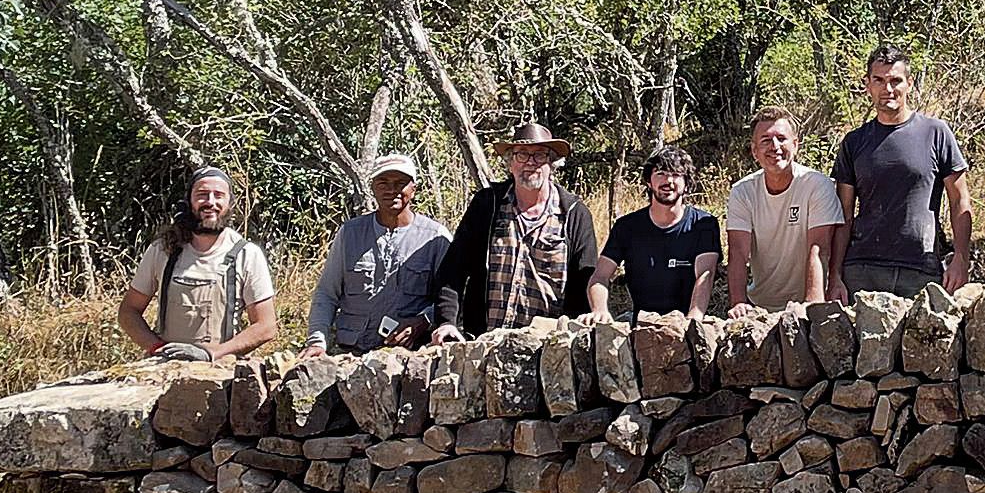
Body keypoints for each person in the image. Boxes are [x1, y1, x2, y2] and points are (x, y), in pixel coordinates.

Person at [828, 44, 973, 300]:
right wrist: (835, 274)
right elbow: (843, 216)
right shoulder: (854, 143)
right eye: (879, 81)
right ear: (867, 84)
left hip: (919, 268)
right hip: (862, 270)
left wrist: (961, 257)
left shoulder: (936, 133)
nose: (888, 89)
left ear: (909, 83)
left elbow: (959, 200)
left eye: (896, 80)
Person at [432, 123, 599, 342]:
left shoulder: (574, 214)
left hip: (548, 348)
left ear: (552, 164)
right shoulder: (487, 205)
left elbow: (586, 280)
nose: (530, 162)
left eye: (539, 155)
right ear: (511, 163)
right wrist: (447, 322)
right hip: (485, 343)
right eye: (522, 155)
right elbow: (453, 269)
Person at [119, 166, 277, 361]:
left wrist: (211, 354)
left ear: (230, 203)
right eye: (202, 194)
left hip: (220, 372)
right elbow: (128, 311)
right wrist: (157, 348)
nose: (210, 202)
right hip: (164, 368)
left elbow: (266, 326)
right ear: (188, 201)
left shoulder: (247, 254)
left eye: (218, 195)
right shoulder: (163, 249)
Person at [299, 154, 452, 357]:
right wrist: (317, 342)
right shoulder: (350, 233)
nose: (391, 190)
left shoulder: (435, 237)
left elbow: (452, 296)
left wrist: (423, 321)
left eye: (400, 183)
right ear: (373, 188)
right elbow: (327, 293)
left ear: (413, 189)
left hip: (410, 356)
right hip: (349, 351)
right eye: (383, 183)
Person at [726, 106, 843, 315]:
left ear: (796, 145)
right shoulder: (742, 192)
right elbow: (737, 251)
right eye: (765, 140)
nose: (775, 147)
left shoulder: (817, 185)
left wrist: (812, 303)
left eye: (782, 138)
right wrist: (738, 303)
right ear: (754, 151)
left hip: (805, 304)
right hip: (759, 305)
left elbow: (819, 248)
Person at [587, 145, 722, 320]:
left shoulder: (703, 225)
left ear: (687, 183)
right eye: (661, 173)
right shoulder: (626, 227)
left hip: (687, 320)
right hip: (641, 322)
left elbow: (706, 274)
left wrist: (694, 318)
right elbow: (600, 276)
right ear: (649, 181)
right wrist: (600, 310)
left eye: (676, 174)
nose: (669, 181)